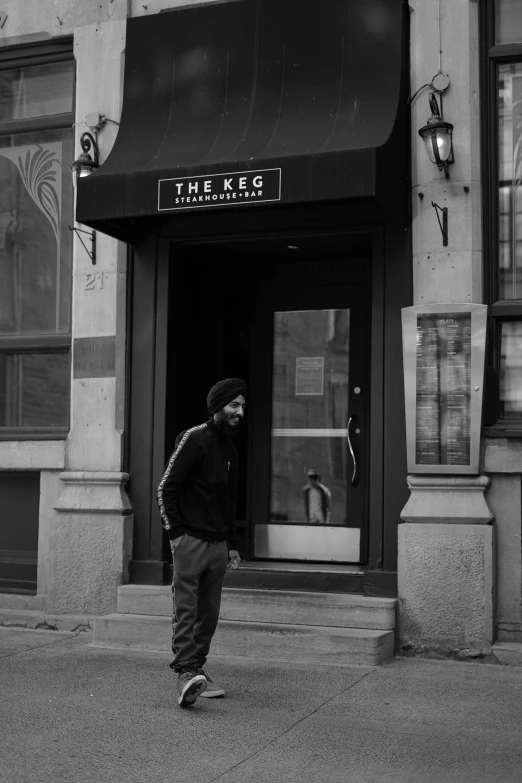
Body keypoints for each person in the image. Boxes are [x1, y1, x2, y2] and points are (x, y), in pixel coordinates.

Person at [157, 378, 245, 707]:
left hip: (218, 546)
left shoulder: (231, 451)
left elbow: (230, 501)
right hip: (189, 540)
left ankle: (197, 671)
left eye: (243, 406)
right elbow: (166, 488)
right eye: (234, 405)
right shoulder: (193, 439)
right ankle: (184, 673)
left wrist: (232, 543)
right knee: (186, 610)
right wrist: (176, 535)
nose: (240, 411)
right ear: (217, 406)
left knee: (208, 614)